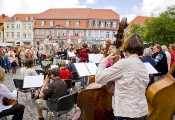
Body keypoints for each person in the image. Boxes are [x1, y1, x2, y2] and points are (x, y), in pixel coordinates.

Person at [95, 34, 149, 120]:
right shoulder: (142, 65)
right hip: (141, 111)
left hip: (126, 112)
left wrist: (105, 60)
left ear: (126, 45)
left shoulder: (125, 63)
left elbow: (98, 78)